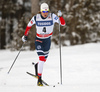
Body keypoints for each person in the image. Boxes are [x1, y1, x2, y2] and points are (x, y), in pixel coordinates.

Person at [22, 3, 65, 86]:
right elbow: (28, 26)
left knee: (43, 60)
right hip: (39, 40)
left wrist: (60, 16)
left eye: (46, 11)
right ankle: (39, 79)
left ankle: (36, 66)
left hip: (47, 41)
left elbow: (62, 23)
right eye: (43, 11)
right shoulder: (36, 18)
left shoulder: (52, 16)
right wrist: (25, 35)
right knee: (41, 58)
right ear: (40, 11)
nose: (45, 13)